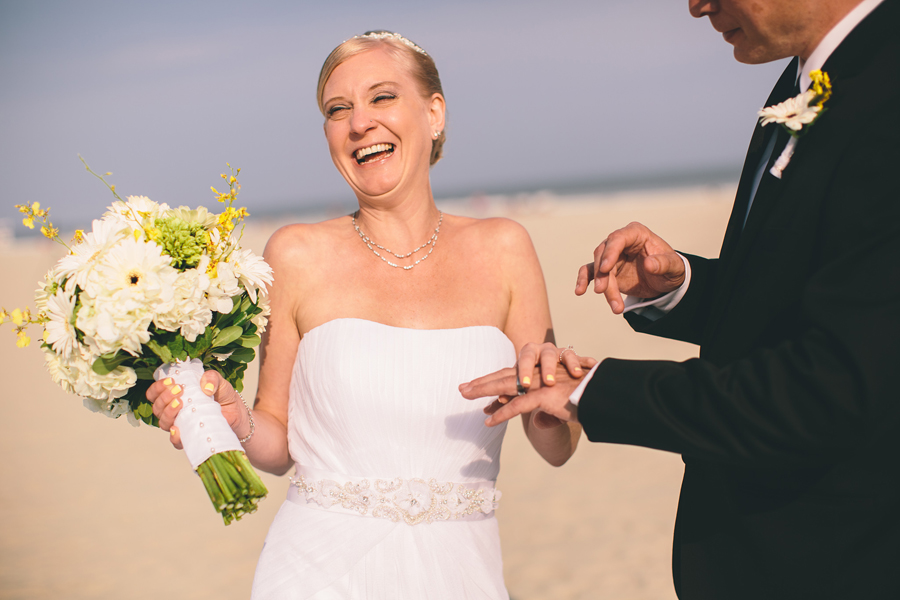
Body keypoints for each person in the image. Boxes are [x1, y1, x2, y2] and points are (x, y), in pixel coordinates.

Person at [461, 1, 900, 598]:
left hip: (841, 561)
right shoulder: (808, 79)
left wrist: (596, 391)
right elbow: (824, 305)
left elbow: (834, 385)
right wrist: (682, 287)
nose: (696, 6)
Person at [146, 30, 583, 599]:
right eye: (338, 109)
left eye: (381, 98)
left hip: (462, 573)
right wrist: (233, 418)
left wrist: (554, 414)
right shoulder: (294, 254)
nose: (359, 123)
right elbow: (276, 444)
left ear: (434, 114)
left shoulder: (506, 248)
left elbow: (555, 446)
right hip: (315, 573)